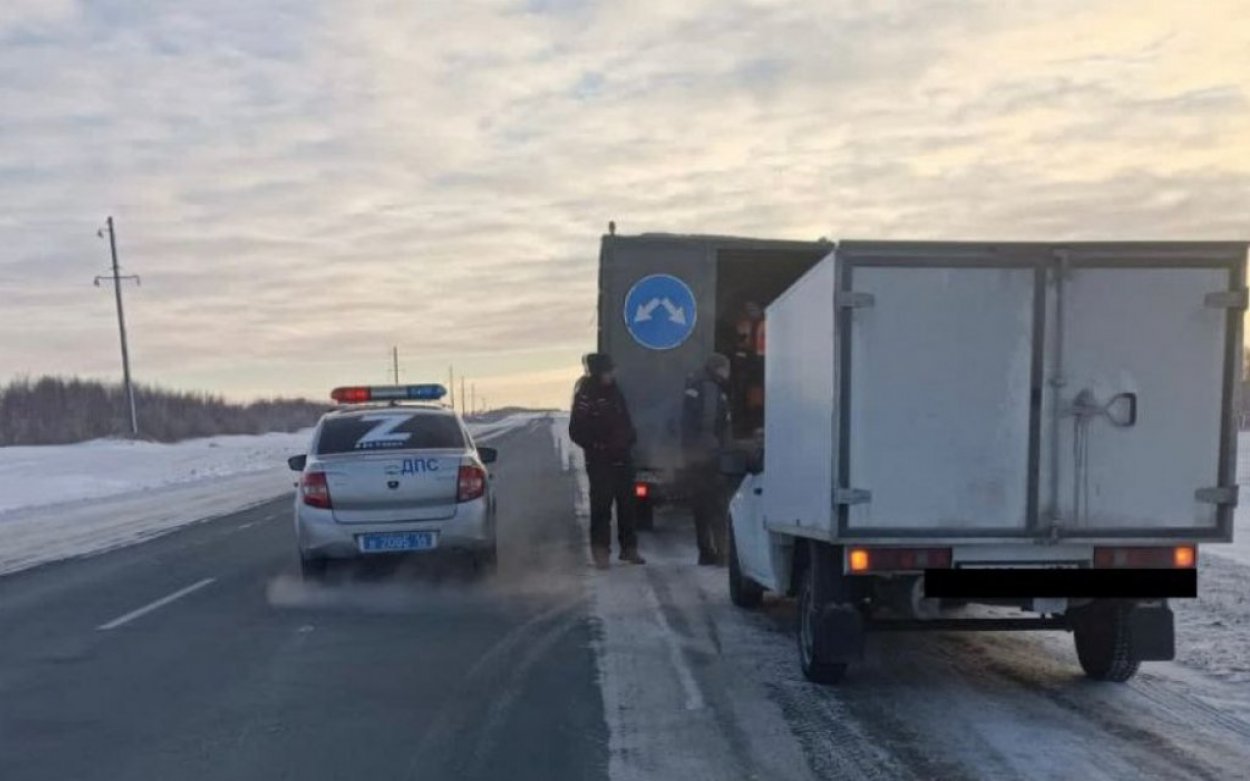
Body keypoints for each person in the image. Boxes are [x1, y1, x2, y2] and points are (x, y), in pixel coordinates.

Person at [569, 353, 645, 569]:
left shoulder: (615, 392)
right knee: (602, 506)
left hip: (623, 457)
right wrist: (595, 446)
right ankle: (601, 553)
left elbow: (625, 420)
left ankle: (629, 549)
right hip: (600, 460)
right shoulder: (585, 395)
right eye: (608, 371)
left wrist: (630, 438)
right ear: (598, 372)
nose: (612, 374)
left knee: (628, 505)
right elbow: (576, 430)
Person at [682, 353, 732, 566]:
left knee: (701, 508)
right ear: (718, 369)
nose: (728, 374)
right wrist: (720, 449)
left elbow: (689, 424)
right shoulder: (711, 390)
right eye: (726, 369)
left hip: (696, 457)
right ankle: (722, 553)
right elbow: (711, 425)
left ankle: (706, 552)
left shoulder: (696, 386)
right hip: (708, 457)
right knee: (718, 506)